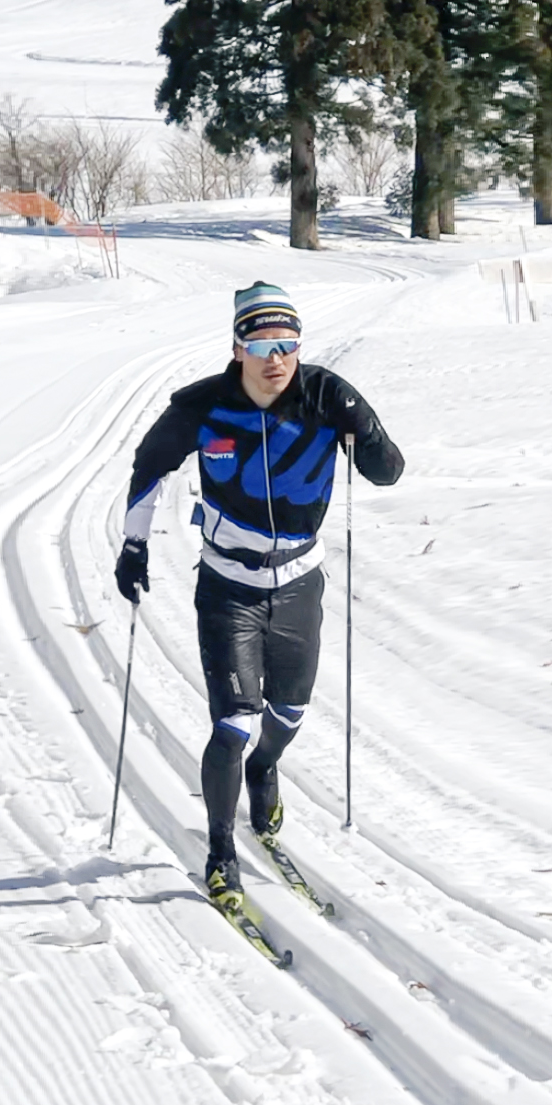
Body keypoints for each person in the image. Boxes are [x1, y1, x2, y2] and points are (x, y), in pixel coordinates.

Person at [114, 281, 404, 909]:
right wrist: (133, 546)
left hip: (299, 581)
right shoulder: (203, 407)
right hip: (228, 586)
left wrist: (365, 424)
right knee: (233, 721)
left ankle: (265, 769)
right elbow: (148, 467)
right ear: (238, 345)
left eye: (287, 344)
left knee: (288, 716)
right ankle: (221, 851)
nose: (276, 358)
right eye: (261, 343)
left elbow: (388, 471)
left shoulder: (325, 396)